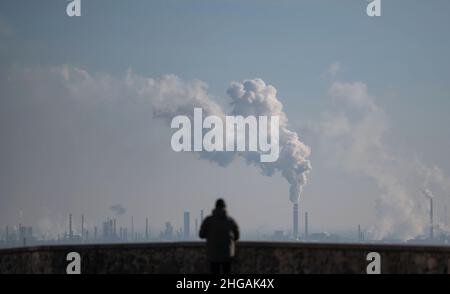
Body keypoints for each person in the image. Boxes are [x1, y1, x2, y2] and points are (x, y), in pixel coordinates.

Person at [199, 199, 240, 274]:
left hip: (213, 255)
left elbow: (201, 235)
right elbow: (237, 236)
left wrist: (211, 235)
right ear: (224, 207)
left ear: (215, 207)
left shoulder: (208, 220)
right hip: (227, 255)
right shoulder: (230, 221)